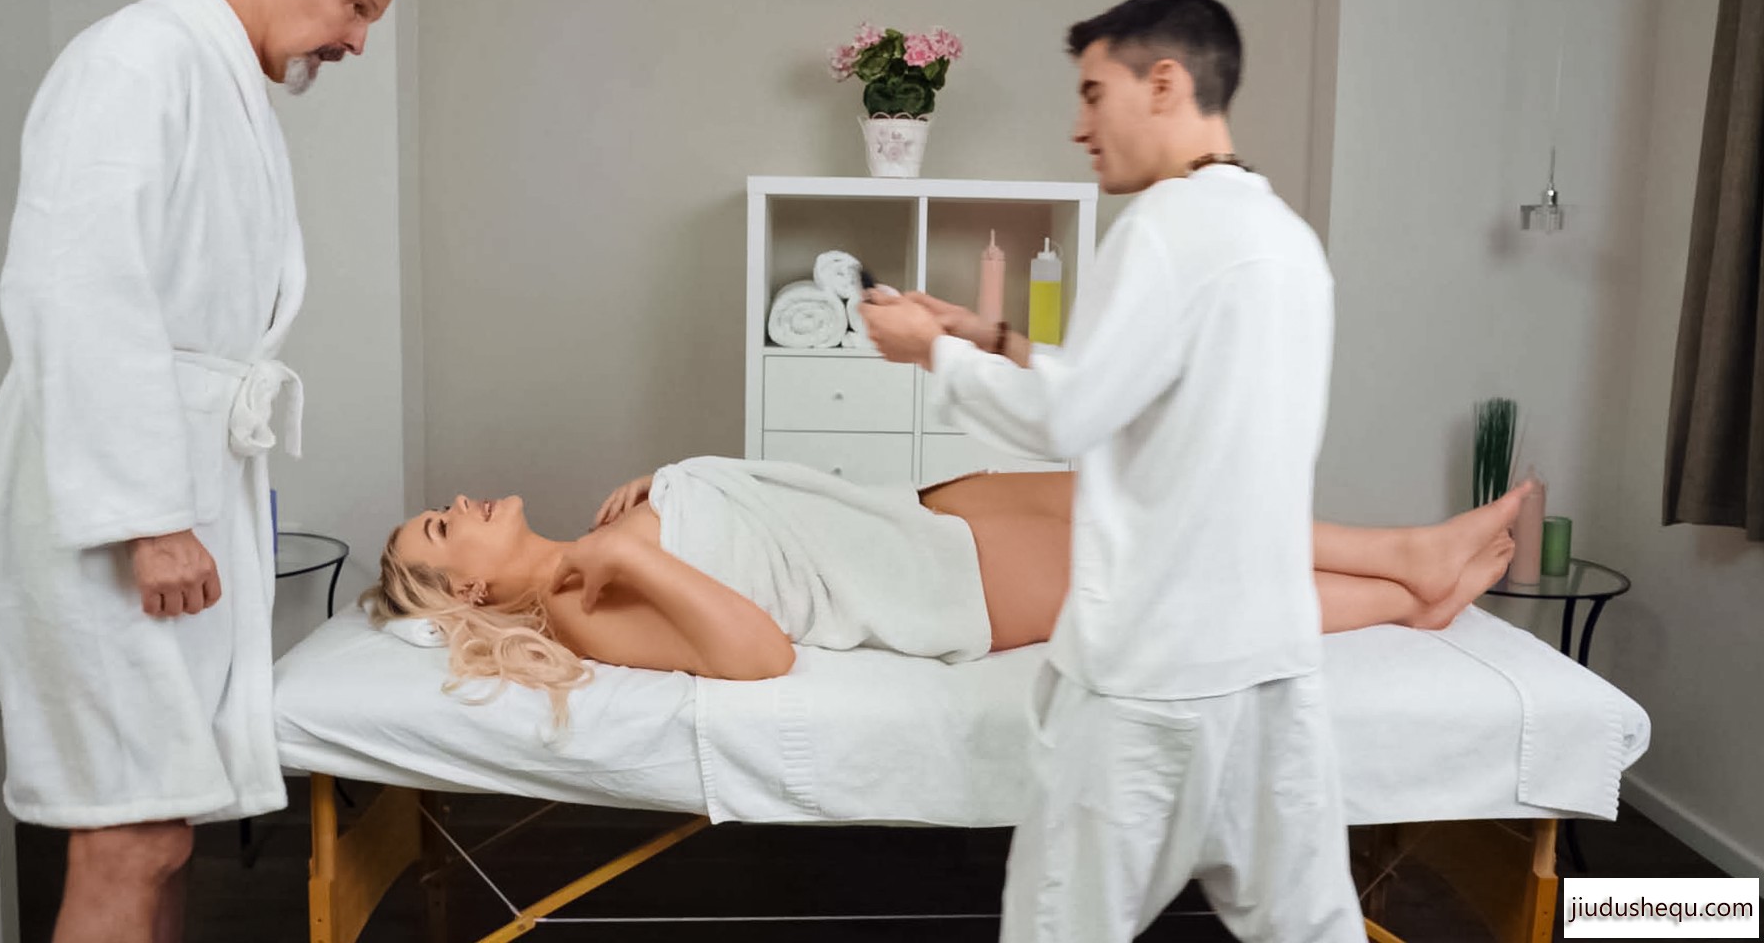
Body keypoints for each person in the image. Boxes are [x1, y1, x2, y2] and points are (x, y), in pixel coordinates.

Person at [860, 0, 1363, 941]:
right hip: (1270, 664)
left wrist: (932, 355)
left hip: (1151, 677)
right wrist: (984, 335)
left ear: (1163, 83)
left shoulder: (1165, 229)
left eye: (1094, 94)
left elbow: (1068, 419)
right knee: (1309, 925)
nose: (1079, 126)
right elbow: (1132, 389)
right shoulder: (1288, 244)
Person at [0, 0, 403, 943]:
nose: (357, 42)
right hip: (115, 493)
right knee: (127, 832)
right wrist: (149, 518)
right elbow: (77, 293)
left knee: (163, 824)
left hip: (175, 475)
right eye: (357, 7)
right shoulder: (136, 60)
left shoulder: (214, 78)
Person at [369, 458, 1529, 715]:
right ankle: (1408, 577)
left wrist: (650, 501)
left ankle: (1405, 565)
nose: (458, 501)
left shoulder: (605, 528)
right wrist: (632, 556)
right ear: (464, 594)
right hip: (940, 581)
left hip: (921, 513)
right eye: (441, 526)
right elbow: (759, 653)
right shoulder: (584, 604)